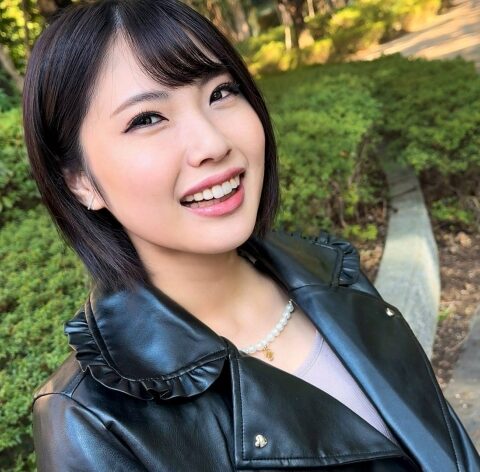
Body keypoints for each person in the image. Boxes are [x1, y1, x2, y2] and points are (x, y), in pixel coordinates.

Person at [23, 0, 479, 471]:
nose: (213, 143)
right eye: (147, 119)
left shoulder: (327, 273)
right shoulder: (90, 420)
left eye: (221, 92)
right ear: (79, 180)